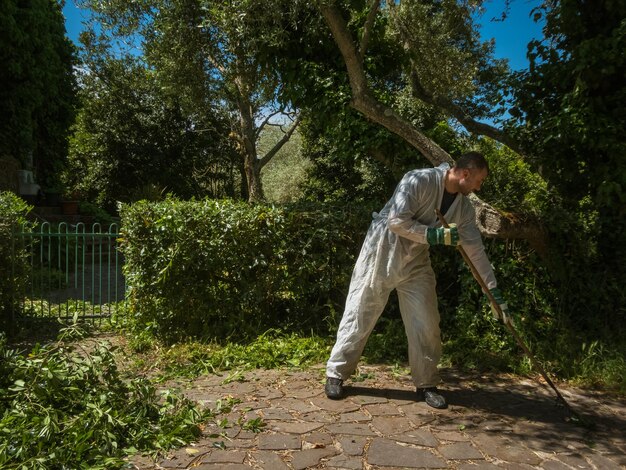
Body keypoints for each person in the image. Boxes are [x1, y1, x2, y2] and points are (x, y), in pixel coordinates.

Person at [324, 151, 509, 409]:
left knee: (427, 321)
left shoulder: (464, 209)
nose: (480, 186)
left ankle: (426, 384)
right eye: (479, 180)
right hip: (383, 251)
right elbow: (396, 221)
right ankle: (336, 373)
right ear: (465, 173)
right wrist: (434, 236)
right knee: (360, 311)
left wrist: (494, 292)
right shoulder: (418, 180)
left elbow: (475, 251)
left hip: (416, 262)